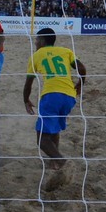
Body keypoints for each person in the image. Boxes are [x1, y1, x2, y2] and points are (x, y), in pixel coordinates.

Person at [23, 27, 87, 187]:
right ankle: (54, 162)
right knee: (54, 127)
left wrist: (26, 100)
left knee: (41, 139)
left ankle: (63, 162)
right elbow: (82, 69)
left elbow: (28, 83)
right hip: (69, 97)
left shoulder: (36, 56)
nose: (35, 43)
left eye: (36, 40)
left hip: (51, 96)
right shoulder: (66, 51)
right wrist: (80, 84)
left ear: (42, 41)